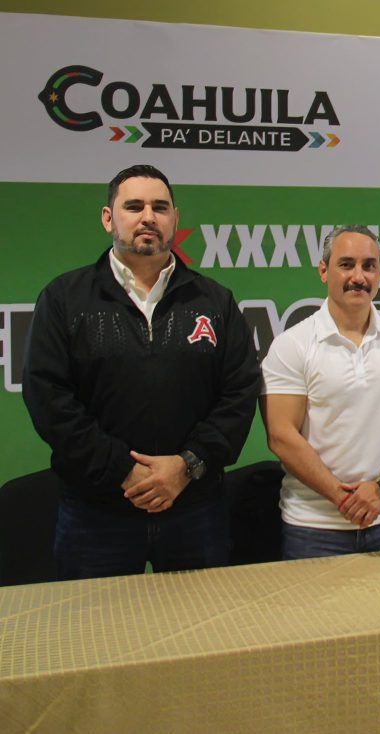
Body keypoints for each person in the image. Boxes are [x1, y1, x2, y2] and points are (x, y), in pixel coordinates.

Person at [22, 163, 259, 580]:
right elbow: (49, 397)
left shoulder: (214, 301)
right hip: (96, 514)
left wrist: (186, 465)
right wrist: (123, 470)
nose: (148, 217)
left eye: (160, 207)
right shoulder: (65, 298)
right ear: (108, 218)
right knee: (95, 622)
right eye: (134, 206)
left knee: (202, 620)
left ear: (175, 219)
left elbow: (238, 394)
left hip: (195, 510)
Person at [261, 225, 380, 558]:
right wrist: (343, 499)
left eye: (369, 266)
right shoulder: (292, 345)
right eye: (346, 264)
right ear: (323, 271)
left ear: (379, 273)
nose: (359, 276)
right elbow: (281, 436)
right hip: (313, 526)